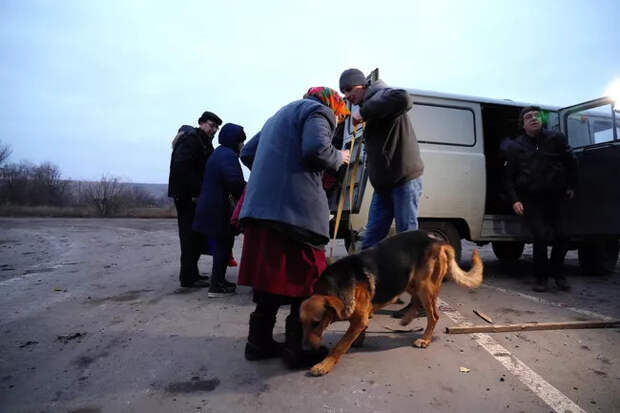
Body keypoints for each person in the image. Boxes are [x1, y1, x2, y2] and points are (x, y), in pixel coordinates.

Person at [237, 87, 350, 367]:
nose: (337, 119)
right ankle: (297, 351)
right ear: (332, 105)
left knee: (268, 280)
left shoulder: (276, 117)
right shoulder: (319, 111)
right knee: (307, 281)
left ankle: (258, 344)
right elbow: (316, 150)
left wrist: (276, 171)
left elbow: (248, 153)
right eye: (340, 115)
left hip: (261, 210)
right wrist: (340, 157)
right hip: (294, 214)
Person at [338, 68, 424, 250]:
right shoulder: (368, 105)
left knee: (406, 237)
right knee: (370, 241)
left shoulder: (382, 93)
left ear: (361, 85)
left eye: (348, 89)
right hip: (383, 186)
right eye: (343, 92)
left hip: (403, 179)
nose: (347, 95)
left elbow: (404, 98)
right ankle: (367, 277)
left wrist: (364, 113)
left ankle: (410, 278)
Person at [503, 106, 578, 292]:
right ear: (523, 124)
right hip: (531, 199)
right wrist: (515, 200)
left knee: (563, 236)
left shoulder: (556, 139)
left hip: (556, 197)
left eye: (537, 115)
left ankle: (558, 274)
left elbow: (572, 162)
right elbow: (508, 177)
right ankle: (541, 278)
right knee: (541, 236)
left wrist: (571, 186)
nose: (534, 118)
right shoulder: (515, 146)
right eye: (528, 117)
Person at [168, 111, 222, 288]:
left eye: (216, 127)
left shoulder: (202, 141)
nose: (213, 130)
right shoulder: (192, 140)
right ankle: (188, 277)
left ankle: (192, 273)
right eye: (211, 125)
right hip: (187, 196)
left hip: (192, 195)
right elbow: (182, 168)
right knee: (189, 235)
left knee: (195, 235)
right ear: (201, 123)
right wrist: (195, 192)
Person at [193, 123, 246, 297]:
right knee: (223, 246)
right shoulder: (228, 156)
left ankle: (219, 281)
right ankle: (216, 286)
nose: (242, 145)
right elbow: (235, 183)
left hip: (212, 207)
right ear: (235, 141)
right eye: (241, 141)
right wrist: (249, 189)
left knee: (222, 246)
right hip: (218, 209)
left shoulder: (220, 153)